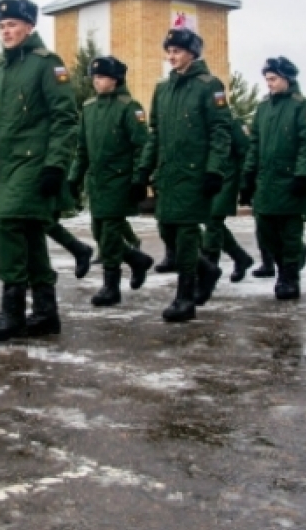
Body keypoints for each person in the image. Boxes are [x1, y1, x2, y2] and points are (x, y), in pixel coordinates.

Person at [0, 0, 78, 340]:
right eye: (1, 27)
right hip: (8, 166)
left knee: (9, 225)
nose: (6, 32)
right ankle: (45, 313)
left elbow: (65, 118)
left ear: (29, 27)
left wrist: (55, 165)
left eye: (12, 25)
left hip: (35, 162)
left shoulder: (46, 64)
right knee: (29, 233)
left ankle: (11, 313)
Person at [137, 27, 234, 320]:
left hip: (195, 174)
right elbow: (155, 133)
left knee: (187, 234)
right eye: (168, 52)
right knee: (167, 230)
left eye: (177, 51)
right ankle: (209, 270)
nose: (171, 57)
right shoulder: (163, 89)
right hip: (168, 174)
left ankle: (185, 297)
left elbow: (221, 131)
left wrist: (214, 169)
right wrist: (144, 168)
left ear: (192, 52)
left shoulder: (209, 85)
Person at [68, 55, 153, 307]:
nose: (96, 82)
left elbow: (141, 146)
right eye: (94, 77)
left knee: (110, 233)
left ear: (115, 79)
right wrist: (74, 178)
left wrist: (140, 179)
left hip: (120, 181)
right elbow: (82, 148)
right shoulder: (89, 107)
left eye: (102, 77)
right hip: (97, 182)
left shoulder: (129, 107)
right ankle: (137, 260)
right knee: (99, 231)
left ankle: (111, 286)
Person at [240, 57, 306, 300]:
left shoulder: (303, 107)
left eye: (273, 79)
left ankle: (288, 278)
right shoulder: (263, 108)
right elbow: (254, 144)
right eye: (267, 79)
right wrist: (248, 175)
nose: (269, 84)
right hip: (266, 180)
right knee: (265, 231)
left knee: (289, 233)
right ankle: (294, 257)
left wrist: (302, 175)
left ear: (287, 79)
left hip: (290, 181)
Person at [201, 81, 255, 294]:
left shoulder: (233, 123)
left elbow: (245, 153)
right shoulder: (202, 121)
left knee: (214, 221)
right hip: (207, 179)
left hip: (226, 180)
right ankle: (240, 257)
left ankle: (210, 265)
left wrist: (244, 185)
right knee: (210, 221)